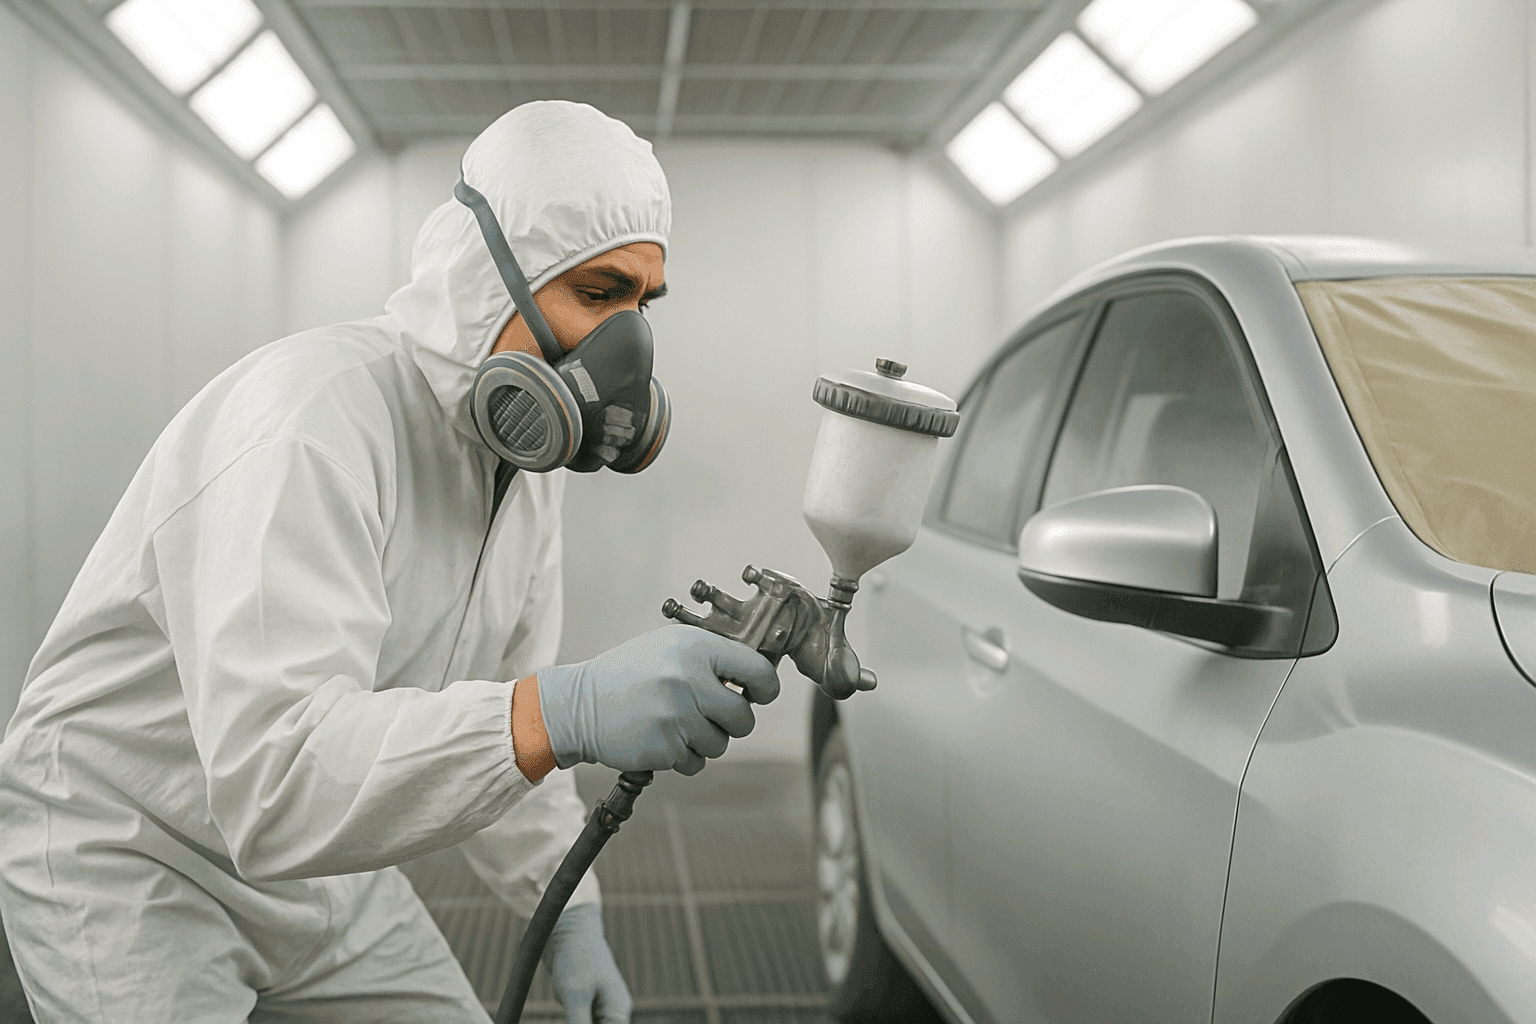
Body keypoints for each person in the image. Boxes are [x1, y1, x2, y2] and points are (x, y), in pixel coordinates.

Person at [0, 100, 779, 1024]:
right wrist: (562, 710)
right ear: (496, 281)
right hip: (133, 849)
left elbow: (508, 703)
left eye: (641, 306)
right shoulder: (313, 422)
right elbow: (274, 777)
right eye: (599, 295)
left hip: (320, 868)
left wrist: (566, 914)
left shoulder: (522, 477)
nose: (627, 353)